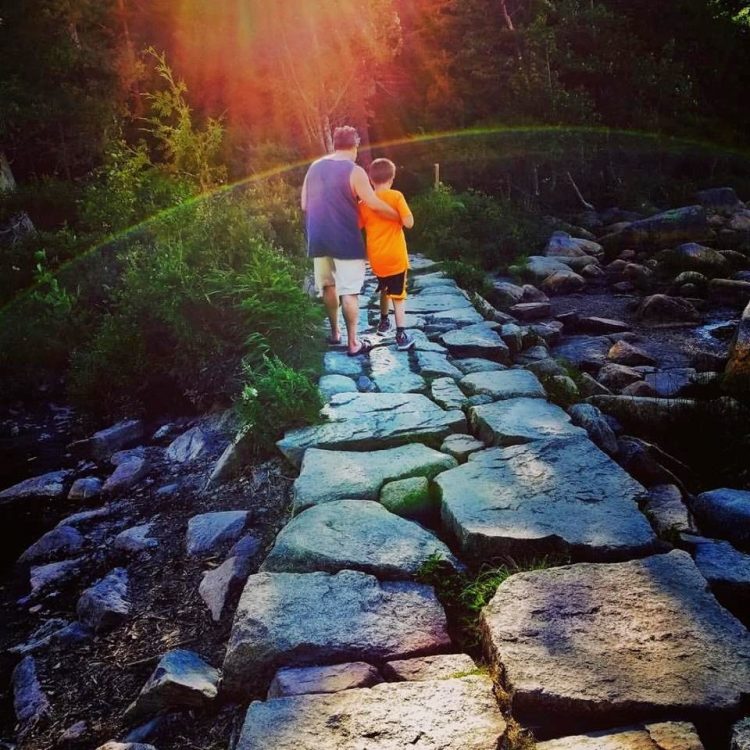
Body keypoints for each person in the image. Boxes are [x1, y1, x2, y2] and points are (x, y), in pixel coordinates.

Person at [301, 126, 399, 356]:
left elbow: (305, 204)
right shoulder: (354, 171)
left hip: (317, 237)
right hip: (344, 239)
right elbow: (373, 203)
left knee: (328, 285)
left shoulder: (314, 167)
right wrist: (397, 217)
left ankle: (335, 334)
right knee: (350, 291)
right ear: (355, 146)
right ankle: (353, 343)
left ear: (335, 144)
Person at [358, 158, 415, 350]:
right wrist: (397, 217)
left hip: (377, 259)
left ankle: (383, 322)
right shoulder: (396, 196)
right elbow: (409, 223)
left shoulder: (364, 203)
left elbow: (356, 226)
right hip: (396, 256)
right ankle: (401, 335)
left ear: (371, 180)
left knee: (384, 287)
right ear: (392, 178)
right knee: (398, 296)